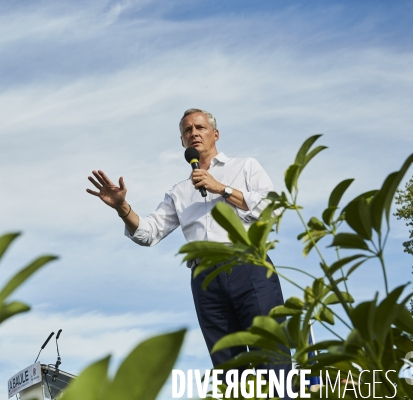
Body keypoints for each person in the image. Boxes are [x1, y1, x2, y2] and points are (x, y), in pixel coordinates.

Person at [86, 108, 289, 375]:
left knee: (271, 356)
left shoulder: (245, 167)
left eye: (199, 128)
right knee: (228, 368)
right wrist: (122, 208)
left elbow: (273, 208)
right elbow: (148, 233)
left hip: (248, 266)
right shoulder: (179, 192)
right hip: (205, 279)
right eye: (187, 131)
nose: (193, 133)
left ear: (215, 134)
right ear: (182, 142)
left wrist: (222, 188)